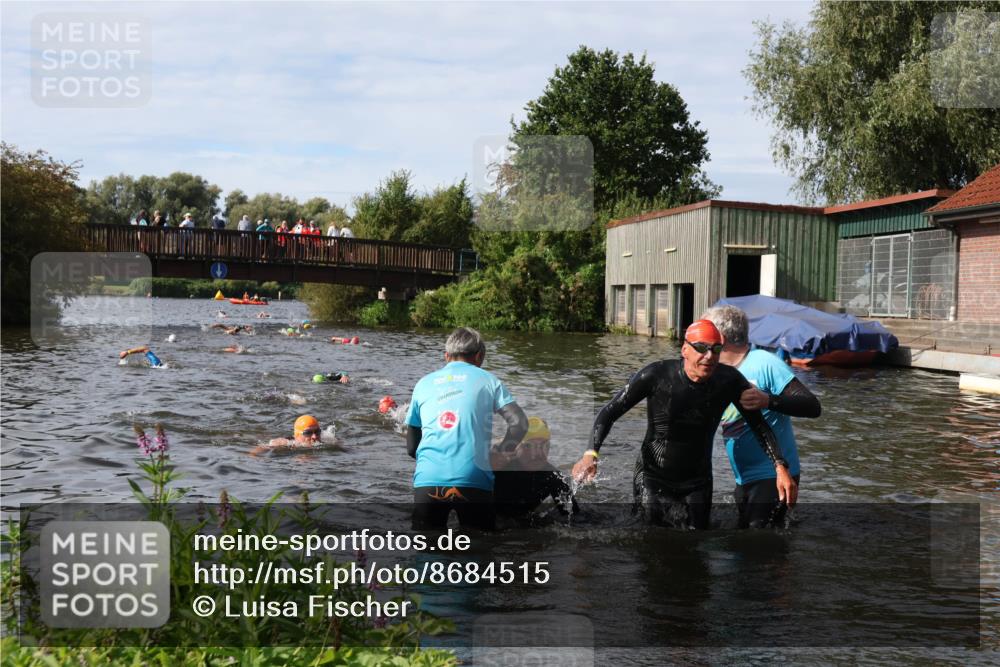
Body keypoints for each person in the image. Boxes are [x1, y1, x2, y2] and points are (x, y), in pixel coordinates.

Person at [572, 320, 795, 529]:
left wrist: (780, 466)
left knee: (697, 542)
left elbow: (758, 424)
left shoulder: (729, 380)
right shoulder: (656, 375)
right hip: (653, 476)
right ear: (685, 349)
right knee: (649, 539)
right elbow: (608, 412)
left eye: (716, 349)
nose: (709, 356)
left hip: (698, 480)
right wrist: (591, 453)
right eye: (701, 348)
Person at [703, 305, 821, 528]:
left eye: (707, 332)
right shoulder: (717, 372)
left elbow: (812, 406)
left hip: (774, 475)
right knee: (751, 548)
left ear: (720, 337)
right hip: (745, 478)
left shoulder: (764, 363)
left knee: (758, 548)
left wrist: (768, 400)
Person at [405, 327, 528, 531]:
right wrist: (501, 452)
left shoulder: (423, 384)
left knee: (426, 554)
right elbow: (520, 423)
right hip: (474, 478)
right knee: (478, 553)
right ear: (479, 356)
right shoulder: (488, 380)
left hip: (428, 480)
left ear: (446, 356)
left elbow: (411, 448)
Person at [493, 417, 578, 519]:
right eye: (528, 446)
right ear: (514, 449)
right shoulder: (497, 469)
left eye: (543, 445)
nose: (537, 454)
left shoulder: (553, 477)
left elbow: (575, 518)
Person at [250, 415, 324, 455]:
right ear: (297, 435)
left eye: (317, 432)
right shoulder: (287, 443)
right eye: (308, 433)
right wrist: (253, 455)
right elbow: (264, 447)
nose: (314, 436)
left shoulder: (327, 439)